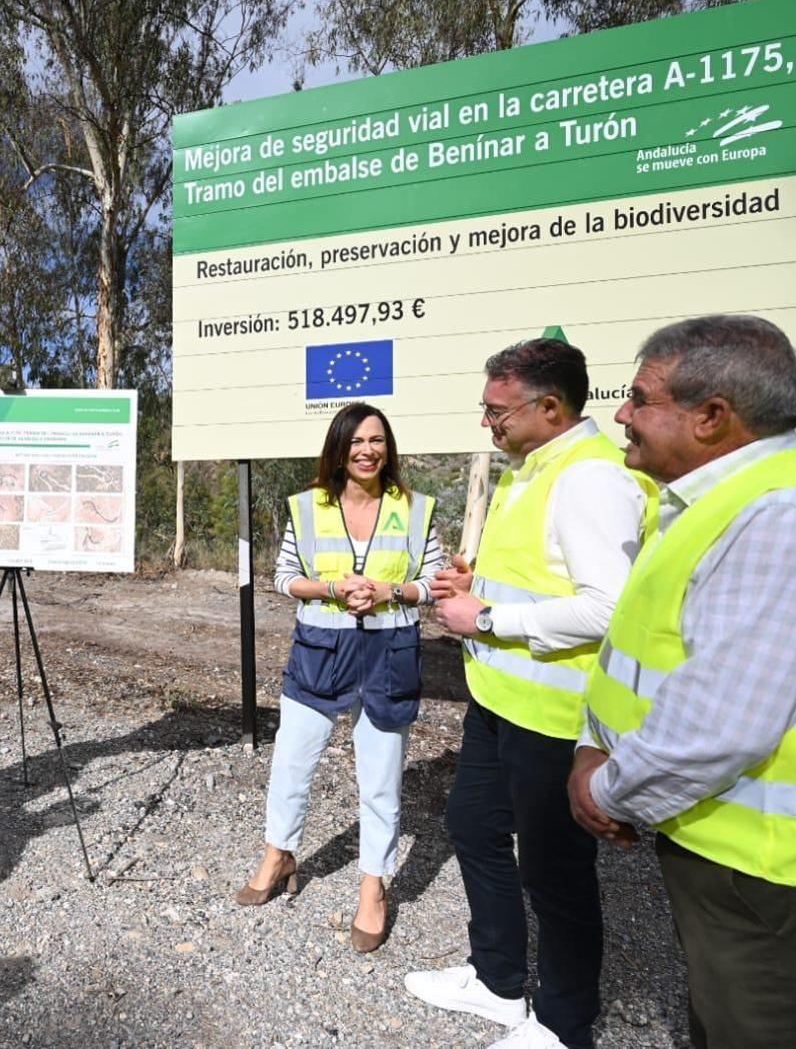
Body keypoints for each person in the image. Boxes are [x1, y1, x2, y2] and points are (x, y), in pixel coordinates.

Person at [571, 316, 796, 1048]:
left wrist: (603, 790)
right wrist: (590, 743)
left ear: (711, 417)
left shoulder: (791, 517)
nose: (621, 414)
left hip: (782, 888)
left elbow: (718, 726)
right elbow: (644, 656)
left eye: (640, 397)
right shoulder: (710, 504)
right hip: (735, 865)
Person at [406, 338, 658, 1049]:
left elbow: (609, 608)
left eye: (496, 410)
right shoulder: (534, 468)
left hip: (554, 715)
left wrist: (485, 617)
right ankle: (497, 983)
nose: (488, 422)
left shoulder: (590, 479)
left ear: (550, 407)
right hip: (499, 700)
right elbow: (542, 577)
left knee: (556, 874)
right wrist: (474, 587)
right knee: (474, 826)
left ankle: (562, 1024)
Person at [237, 403, 443, 953]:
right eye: (356, 442)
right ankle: (279, 853)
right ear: (338, 449)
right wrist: (332, 589)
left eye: (377, 440)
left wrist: (390, 592)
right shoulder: (305, 509)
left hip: (389, 654)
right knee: (291, 760)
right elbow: (284, 578)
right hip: (320, 651)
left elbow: (431, 584)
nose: (368, 451)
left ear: (388, 447)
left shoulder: (417, 509)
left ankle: (373, 889)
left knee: (380, 780)